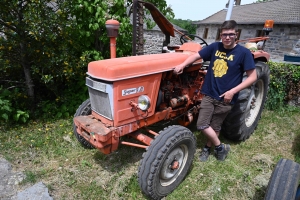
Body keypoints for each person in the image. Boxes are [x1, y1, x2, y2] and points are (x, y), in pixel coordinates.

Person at [173, 20, 257, 161]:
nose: (227, 37)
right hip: (209, 92)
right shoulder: (215, 47)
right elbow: (196, 55)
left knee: (215, 125)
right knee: (202, 124)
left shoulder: (244, 53)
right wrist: (182, 64)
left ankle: (207, 148)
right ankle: (220, 147)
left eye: (231, 34)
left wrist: (233, 91)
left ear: (236, 34)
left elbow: (253, 77)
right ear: (221, 35)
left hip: (226, 97)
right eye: (225, 34)